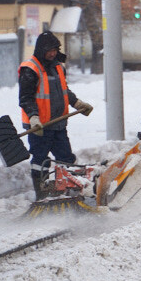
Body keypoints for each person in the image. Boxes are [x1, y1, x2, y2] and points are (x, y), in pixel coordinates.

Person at [18, 31, 93, 199]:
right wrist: (33, 117)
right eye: (49, 50)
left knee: (66, 158)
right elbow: (25, 98)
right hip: (40, 126)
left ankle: (68, 193)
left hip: (58, 124)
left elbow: (64, 90)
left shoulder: (58, 66)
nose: (52, 53)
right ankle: (42, 195)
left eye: (55, 49)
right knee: (40, 161)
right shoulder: (30, 69)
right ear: (40, 49)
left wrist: (76, 103)